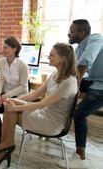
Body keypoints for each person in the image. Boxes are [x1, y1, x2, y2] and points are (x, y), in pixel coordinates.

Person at [0, 43, 77, 167]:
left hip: (51, 123)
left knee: (11, 111)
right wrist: (12, 101)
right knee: (10, 106)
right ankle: (6, 145)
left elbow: (42, 103)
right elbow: (35, 94)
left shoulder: (68, 82)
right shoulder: (55, 75)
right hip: (43, 114)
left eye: (51, 55)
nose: (48, 57)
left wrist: (16, 107)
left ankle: (6, 146)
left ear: (62, 59)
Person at [57, 19, 103, 169]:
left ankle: (80, 156)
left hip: (102, 84)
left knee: (79, 113)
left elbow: (84, 63)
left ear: (82, 33)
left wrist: (74, 87)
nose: (68, 33)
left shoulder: (96, 39)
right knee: (61, 84)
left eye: (72, 31)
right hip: (94, 79)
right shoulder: (78, 48)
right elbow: (73, 69)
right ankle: (52, 123)